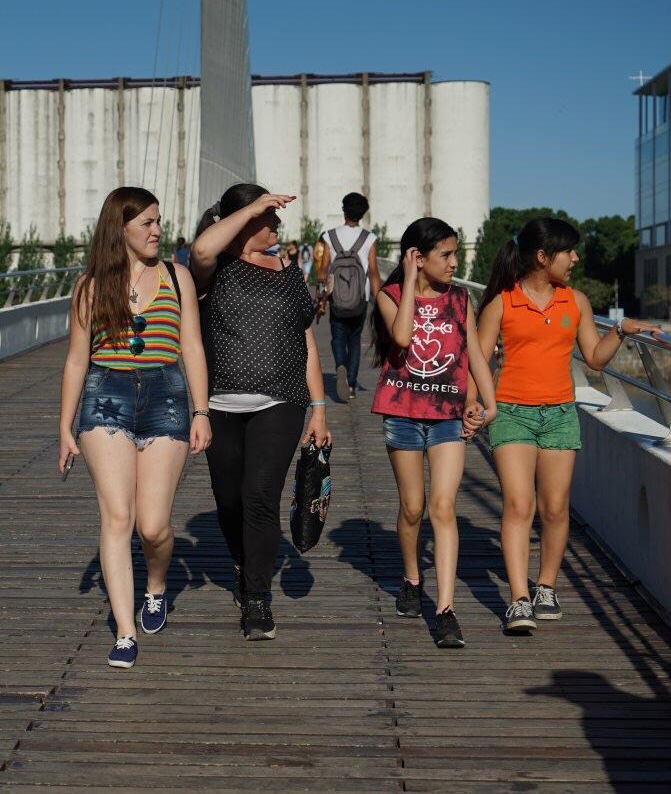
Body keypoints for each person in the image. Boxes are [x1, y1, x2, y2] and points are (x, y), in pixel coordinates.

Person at [474, 217, 659, 633]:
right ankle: (518, 599)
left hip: (560, 414)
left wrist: (622, 330)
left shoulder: (575, 301)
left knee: (555, 509)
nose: (575, 258)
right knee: (520, 505)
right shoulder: (501, 303)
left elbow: (593, 357)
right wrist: (474, 403)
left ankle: (546, 586)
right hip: (511, 412)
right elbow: (478, 360)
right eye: (568, 251)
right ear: (543, 257)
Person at [58, 187, 211, 669]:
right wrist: (64, 427)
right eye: (146, 222)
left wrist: (202, 411)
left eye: (158, 221)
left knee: (153, 525)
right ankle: (124, 631)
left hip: (166, 395)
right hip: (106, 396)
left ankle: (157, 585)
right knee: (117, 518)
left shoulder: (176, 276)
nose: (156, 230)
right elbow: (77, 360)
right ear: (119, 228)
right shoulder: (89, 286)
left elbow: (191, 347)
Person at [189, 183, 332, 641]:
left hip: (281, 400)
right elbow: (203, 245)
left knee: (260, 496)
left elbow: (305, 339)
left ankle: (257, 597)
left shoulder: (290, 268)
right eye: (268, 217)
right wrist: (252, 208)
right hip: (219, 404)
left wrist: (319, 408)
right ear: (246, 218)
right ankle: (242, 562)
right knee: (229, 500)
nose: (277, 223)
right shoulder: (215, 268)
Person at [371, 218, 497, 648]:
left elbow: (475, 353)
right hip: (402, 414)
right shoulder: (389, 296)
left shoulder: (461, 299)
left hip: (447, 416)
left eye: (454, 253)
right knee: (413, 507)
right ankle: (411, 575)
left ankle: (445, 609)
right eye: (445, 254)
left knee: (443, 507)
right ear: (418, 257)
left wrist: (487, 400)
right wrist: (408, 279)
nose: (454, 262)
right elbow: (403, 337)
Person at [318, 193, 381, 401]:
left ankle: (340, 366)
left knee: (337, 337)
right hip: (359, 299)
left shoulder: (329, 236)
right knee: (354, 339)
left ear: (343, 210)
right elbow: (373, 271)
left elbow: (324, 269)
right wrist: (379, 300)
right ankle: (352, 384)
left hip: (337, 298)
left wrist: (321, 298)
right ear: (363, 213)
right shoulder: (369, 238)